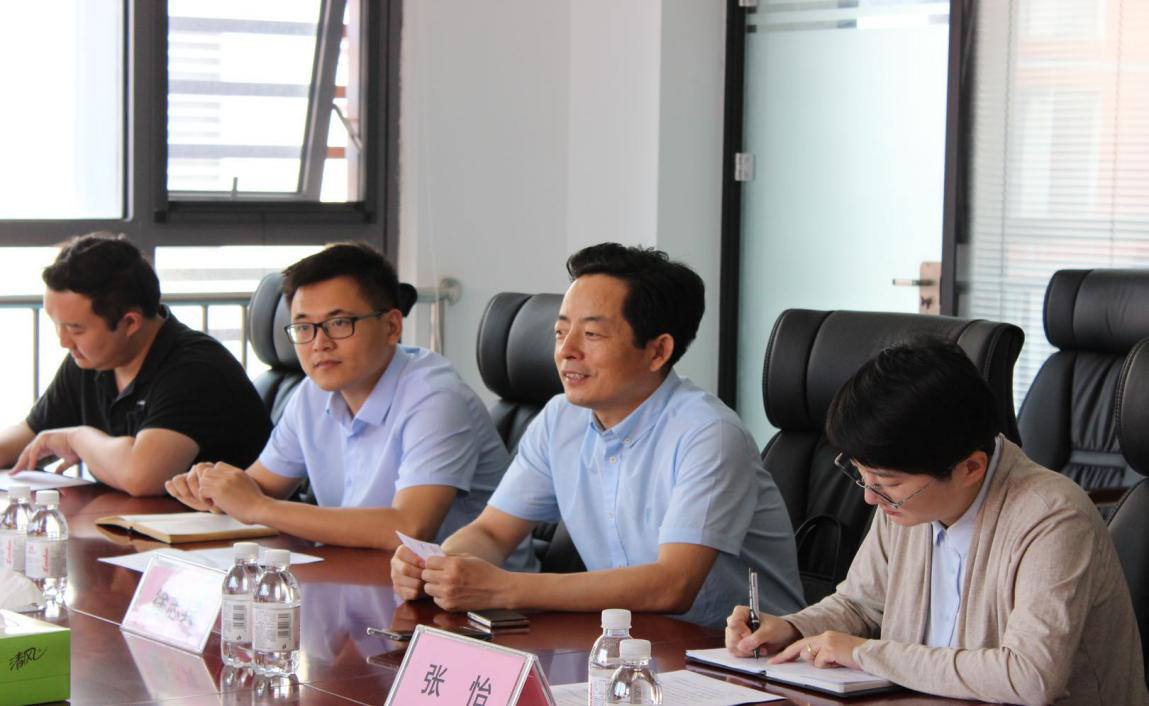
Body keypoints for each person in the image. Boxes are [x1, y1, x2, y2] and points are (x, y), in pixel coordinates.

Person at [391, 243, 804, 628]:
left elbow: (673, 585)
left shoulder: (708, 434)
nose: (566, 351)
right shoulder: (560, 419)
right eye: (560, 332)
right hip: (628, 644)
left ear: (658, 351)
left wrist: (506, 588)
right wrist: (439, 566)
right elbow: (492, 533)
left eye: (592, 335)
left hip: (739, 656)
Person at [725, 341, 1148, 705]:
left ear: (970, 468)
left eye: (887, 483)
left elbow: (1030, 676)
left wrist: (865, 654)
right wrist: (792, 627)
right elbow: (860, 604)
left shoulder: (1052, 518)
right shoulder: (906, 501)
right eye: (861, 475)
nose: (870, 497)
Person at [166, 243, 531, 565]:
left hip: (475, 602)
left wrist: (258, 507)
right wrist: (214, 488)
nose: (319, 343)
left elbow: (409, 528)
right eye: (304, 327)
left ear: (392, 326)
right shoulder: (311, 394)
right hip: (360, 576)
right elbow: (259, 488)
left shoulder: (436, 398)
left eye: (339, 323)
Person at [0, 233, 271, 497]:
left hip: (227, 525)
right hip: (141, 522)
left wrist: (76, 438)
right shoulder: (91, 360)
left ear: (130, 322)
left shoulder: (195, 369)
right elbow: (29, 436)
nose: (63, 341)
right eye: (56, 324)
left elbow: (141, 477)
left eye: (76, 329)